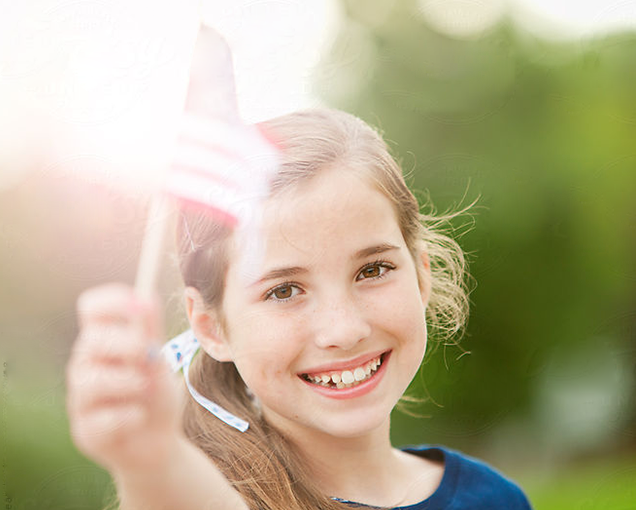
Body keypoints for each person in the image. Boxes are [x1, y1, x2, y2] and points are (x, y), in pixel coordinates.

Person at [66, 31, 531, 510]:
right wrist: (154, 465)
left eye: (373, 270)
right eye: (285, 290)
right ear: (210, 326)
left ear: (421, 274)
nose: (344, 330)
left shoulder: (496, 498)